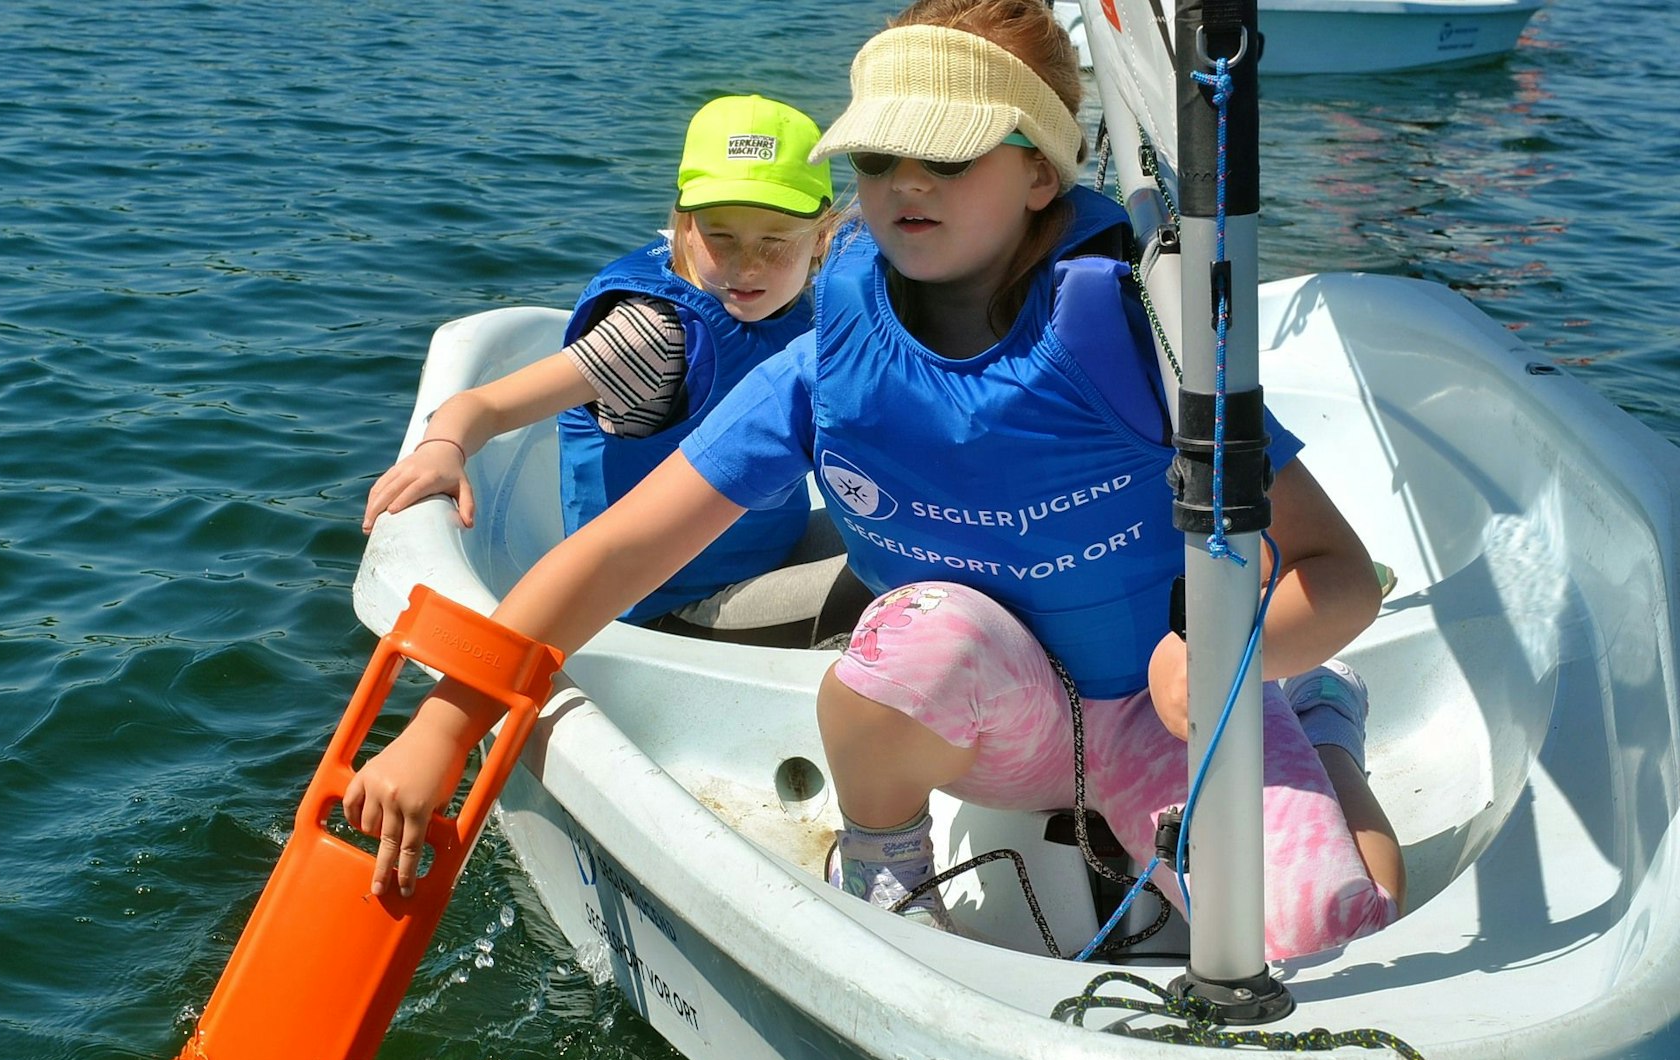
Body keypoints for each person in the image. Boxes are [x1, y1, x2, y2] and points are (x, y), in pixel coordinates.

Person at [347, 0, 1402, 961]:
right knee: (914, 633)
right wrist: (442, 726)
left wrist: (1234, 659)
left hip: (1160, 709)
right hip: (991, 721)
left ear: (1041, 172)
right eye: (878, 156)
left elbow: (1339, 572)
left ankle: (1319, 728)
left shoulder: (1149, 341)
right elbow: (617, 552)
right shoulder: (824, 367)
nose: (904, 183)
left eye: (945, 159)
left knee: (1326, 941)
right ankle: (886, 863)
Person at [362, 94, 851, 642]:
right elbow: (483, 404)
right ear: (686, 228)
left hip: (764, 548)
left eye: (775, 242)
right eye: (722, 236)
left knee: (932, 537)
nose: (746, 264)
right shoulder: (653, 336)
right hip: (677, 605)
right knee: (922, 585)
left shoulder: (802, 307)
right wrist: (442, 449)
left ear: (822, 241)